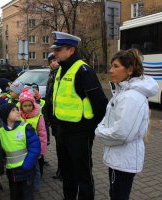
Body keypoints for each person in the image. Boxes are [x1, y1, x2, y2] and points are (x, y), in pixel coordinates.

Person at [95, 49, 159, 200]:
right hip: (119, 158)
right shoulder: (123, 92)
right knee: (116, 194)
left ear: (130, 70)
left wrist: (99, 131)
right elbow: (109, 119)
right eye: (111, 66)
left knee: (118, 196)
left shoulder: (131, 97)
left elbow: (122, 134)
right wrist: (103, 127)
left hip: (123, 160)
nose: (111, 70)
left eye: (116, 66)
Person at [51, 31, 108, 200]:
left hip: (79, 134)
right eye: (55, 49)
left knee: (82, 175)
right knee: (67, 174)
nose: (55, 52)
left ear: (71, 50)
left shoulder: (84, 71)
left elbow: (100, 104)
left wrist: (88, 128)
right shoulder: (61, 70)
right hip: (62, 131)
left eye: (59, 49)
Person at [0, 103, 40, 200]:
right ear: (5, 115)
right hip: (11, 171)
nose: (17, 112)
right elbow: (1, 152)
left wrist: (27, 165)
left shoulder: (26, 127)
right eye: (13, 110)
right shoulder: (0, 132)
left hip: (26, 170)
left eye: (17, 109)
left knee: (27, 194)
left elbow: (34, 148)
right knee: (15, 194)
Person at [19, 88, 47, 191]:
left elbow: (42, 134)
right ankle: (26, 185)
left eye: (30, 105)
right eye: (25, 106)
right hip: (22, 148)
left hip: (34, 148)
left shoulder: (38, 116)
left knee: (36, 169)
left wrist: (41, 151)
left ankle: (35, 187)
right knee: (25, 167)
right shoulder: (19, 115)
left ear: (33, 105)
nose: (27, 108)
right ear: (21, 106)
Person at [45, 52, 62, 180]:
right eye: (50, 62)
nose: (53, 63)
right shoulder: (52, 74)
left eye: (55, 60)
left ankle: (63, 171)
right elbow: (50, 95)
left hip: (60, 116)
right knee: (59, 144)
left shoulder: (61, 74)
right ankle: (62, 170)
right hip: (53, 115)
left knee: (62, 145)